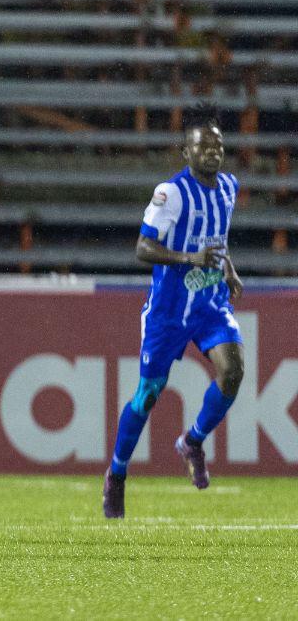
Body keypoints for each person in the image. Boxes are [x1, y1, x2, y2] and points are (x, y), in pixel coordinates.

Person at [103, 104, 244, 519]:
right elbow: (143, 249)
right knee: (147, 396)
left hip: (211, 304)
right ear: (186, 151)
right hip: (168, 312)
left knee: (233, 371)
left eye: (217, 144)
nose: (212, 152)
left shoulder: (230, 187)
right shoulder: (172, 193)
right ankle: (117, 473)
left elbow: (216, 239)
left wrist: (228, 269)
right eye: (203, 145)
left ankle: (193, 441)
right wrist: (190, 258)